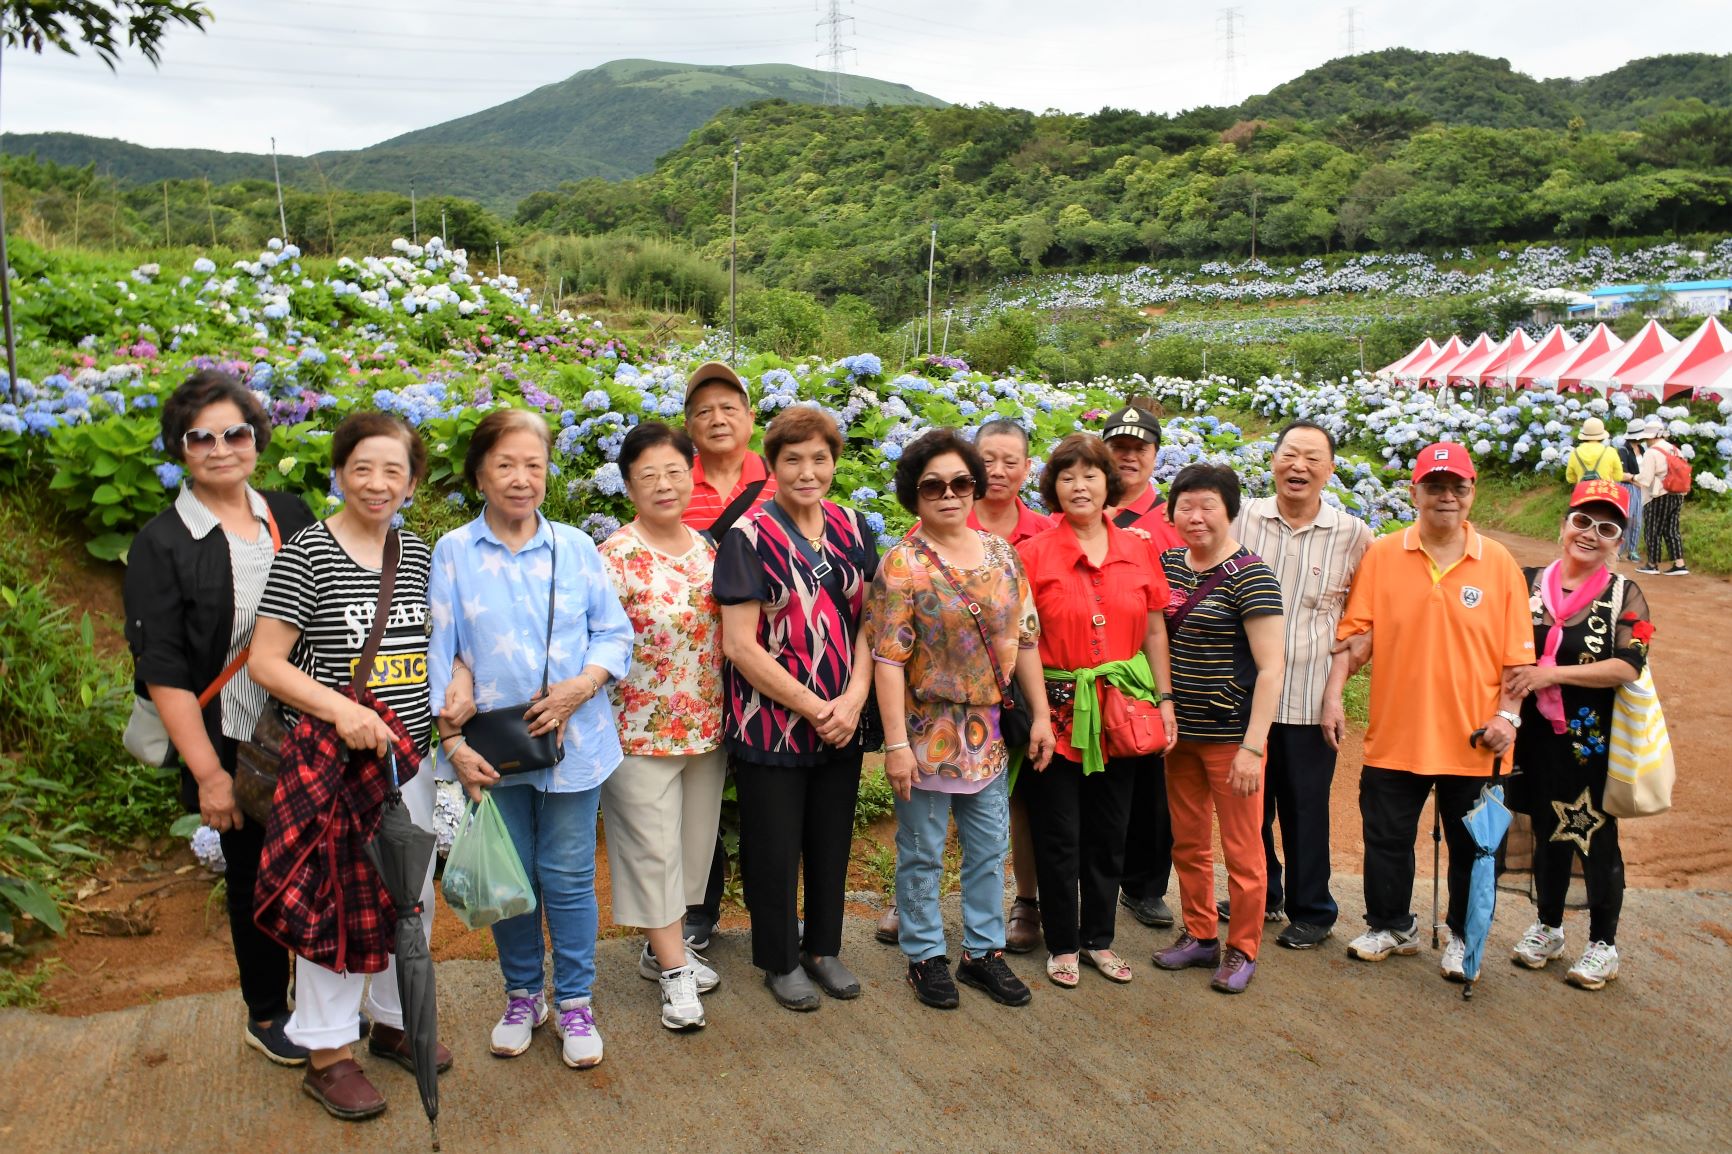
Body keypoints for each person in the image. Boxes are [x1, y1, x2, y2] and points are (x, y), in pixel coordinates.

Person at [249, 411, 448, 1120]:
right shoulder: (307, 552)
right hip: (335, 761)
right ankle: (328, 1052)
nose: (377, 482)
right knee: (332, 900)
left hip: (406, 757)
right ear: (339, 472)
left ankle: (395, 1021)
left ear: (412, 482)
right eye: (363, 467)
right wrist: (339, 709)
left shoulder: (416, 552)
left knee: (408, 892)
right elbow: (265, 661)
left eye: (394, 470)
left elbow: (432, 646)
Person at [427, 409, 635, 1069]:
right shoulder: (454, 552)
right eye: (505, 465)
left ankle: (575, 1001)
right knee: (508, 877)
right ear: (480, 474)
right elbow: (441, 651)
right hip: (491, 748)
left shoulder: (575, 546)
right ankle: (522, 995)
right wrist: (453, 745)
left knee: (570, 876)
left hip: (576, 743)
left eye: (534, 465)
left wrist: (581, 687)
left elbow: (614, 634)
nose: (521, 479)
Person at [124, 370, 315, 1066]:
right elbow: (164, 669)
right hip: (231, 744)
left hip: (306, 732)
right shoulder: (162, 542)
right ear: (180, 450)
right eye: (199, 437)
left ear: (256, 439)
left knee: (315, 868)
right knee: (254, 879)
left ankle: (321, 1005)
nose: (220, 448)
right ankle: (266, 1011)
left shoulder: (290, 514)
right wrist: (208, 774)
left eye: (234, 432)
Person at [1332, 442, 1535, 981]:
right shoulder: (1382, 555)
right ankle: (1391, 925)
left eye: (1458, 487)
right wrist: (1332, 694)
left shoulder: (1500, 565)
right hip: (1396, 734)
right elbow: (1356, 637)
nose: (1446, 496)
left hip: (1475, 740)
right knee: (1386, 836)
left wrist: (1506, 718)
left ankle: (1463, 936)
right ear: (1414, 492)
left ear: (1472, 493)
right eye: (1435, 486)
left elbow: (1518, 662)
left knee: (1471, 848)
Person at [870, 428, 1055, 1010]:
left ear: (974, 486)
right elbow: (888, 659)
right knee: (922, 850)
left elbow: (1026, 640)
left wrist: (1043, 717)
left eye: (960, 482)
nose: (949, 494)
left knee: (988, 846)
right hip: (928, 731)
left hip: (991, 733)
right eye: (933, 486)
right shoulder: (903, 564)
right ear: (913, 494)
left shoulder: (1002, 554)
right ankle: (924, 955)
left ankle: (982, 952)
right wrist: (895, 742)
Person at [714, 406, 879, 1011]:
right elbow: (739, 645)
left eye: (819, 458)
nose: (807, 471)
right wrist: (815, 707)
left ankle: (824, 947)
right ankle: (780, 957)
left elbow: (871, 622)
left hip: (844, 715)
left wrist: (854, 697)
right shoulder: (747, 537)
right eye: (792, 459)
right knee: (775, 845)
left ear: (834, 462)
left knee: (831, 838)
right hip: (773, 722)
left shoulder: (856, 527)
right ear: (773, 465)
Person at [1016, 434, 1176, 990]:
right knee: (1059, 831)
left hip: (1123, 712)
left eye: (1090, 474)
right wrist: (1037, 713)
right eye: (1067, 476)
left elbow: (1155, 627)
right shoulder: (1033, 554)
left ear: (1109, 482)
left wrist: (1165, 700)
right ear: (1053, 487)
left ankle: (1098, 940)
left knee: (1111, 830)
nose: (1079, 485)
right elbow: (1025, 640)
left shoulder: (1138, 548)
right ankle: (1062, 943)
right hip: (1056, 713)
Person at [598, 421, 726, 1032]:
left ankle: (661, 950)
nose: (663, 484)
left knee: (692, 848)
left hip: (706, 726)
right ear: (628, 486)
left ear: (691, 476)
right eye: (647, 475)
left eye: (674, 471)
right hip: (636, 730)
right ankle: (676, 976)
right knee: (652, 851)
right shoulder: (613, 558)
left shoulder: (708, 551)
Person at [1502, 480, 1652, 991]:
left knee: (1594, 837)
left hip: (1590, 743)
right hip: (1531, 736)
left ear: (1619, 540)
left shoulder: (1624, 594)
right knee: (1546, 829)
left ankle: (1603, 945)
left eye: (1607, 527)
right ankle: (1548, 927)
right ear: (1564, 524)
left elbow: (1629, 665)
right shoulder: (1526, 583)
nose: (1591, 534)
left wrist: (1553, 675)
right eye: (1582, 521)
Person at [1231, 421, 1373, 951]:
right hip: (1245, 695)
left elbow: (1368, 616)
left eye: (1313, 458)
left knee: (1305, 806)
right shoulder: (1242, 518)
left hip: (1311, 697)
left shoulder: (1354, 534)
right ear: (1272, 461)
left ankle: (1313, 908)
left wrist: (1340, 686)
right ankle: (1263, 891)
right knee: (1250, 803)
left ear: (1330, 469)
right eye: (1290, 454)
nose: (1299, 466)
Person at [1151, 465, 1285, 994]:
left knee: (1243, 850)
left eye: (1208, 505)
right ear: (1172, 513)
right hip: (1178, 734)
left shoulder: (1252, 575)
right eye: (1185, 505)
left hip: (1232, 740)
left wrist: (1254, 747)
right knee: (1187, 842)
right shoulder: (1165, 565)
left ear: (1230, 510)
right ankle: (1201, 934)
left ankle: (1243, 948)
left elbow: (1272, 668)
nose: (1196, 516)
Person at [680, 361, 778, 950]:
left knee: (772, 795)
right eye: (702, 411)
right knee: (698, 796)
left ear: (750, 418)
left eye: (729, 408)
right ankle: (698, 910)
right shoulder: (671, 480)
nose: (717, 419)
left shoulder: (784, 477)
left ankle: (774, 920)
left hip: (775, 667)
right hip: (697, 671)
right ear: (688, 425)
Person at [1100, 404, 1187, 935]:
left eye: (1139, 448)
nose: (1128, 456)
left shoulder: (1172, 519)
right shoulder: (1082, 505)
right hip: (1092, 667)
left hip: (1151, 671)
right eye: (1119, 447)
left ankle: (1146, 885)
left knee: (1152, 785)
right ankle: (1097, 882)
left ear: (1156, 455)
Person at [1631, 419, 1688, 576]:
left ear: (1651, 436)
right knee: (1672, 530)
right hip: (1677, 494)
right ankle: (1679, 564)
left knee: (1653, 530)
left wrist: (1631, 478)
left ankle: (1652, 564)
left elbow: (1645, 479)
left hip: (1658, 495)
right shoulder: (1676, 450)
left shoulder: (1652, 452)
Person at [1615, 421, 1646, 563]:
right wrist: (1636, 481)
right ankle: (1619, 550)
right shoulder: (1623, 450)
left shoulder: (1642, 450)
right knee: (1627, 518)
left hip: (1640, 488)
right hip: (1628, 487)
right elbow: (1622, 474)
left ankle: (1632, 550)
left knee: (1638, 520)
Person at [1564, 418, 1624, 484]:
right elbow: (1618, 476)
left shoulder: (1575, 453)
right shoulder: (1610, 451)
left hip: (1583, 492)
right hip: (1605, 492)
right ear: (1602, 436)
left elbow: (1570, 479)